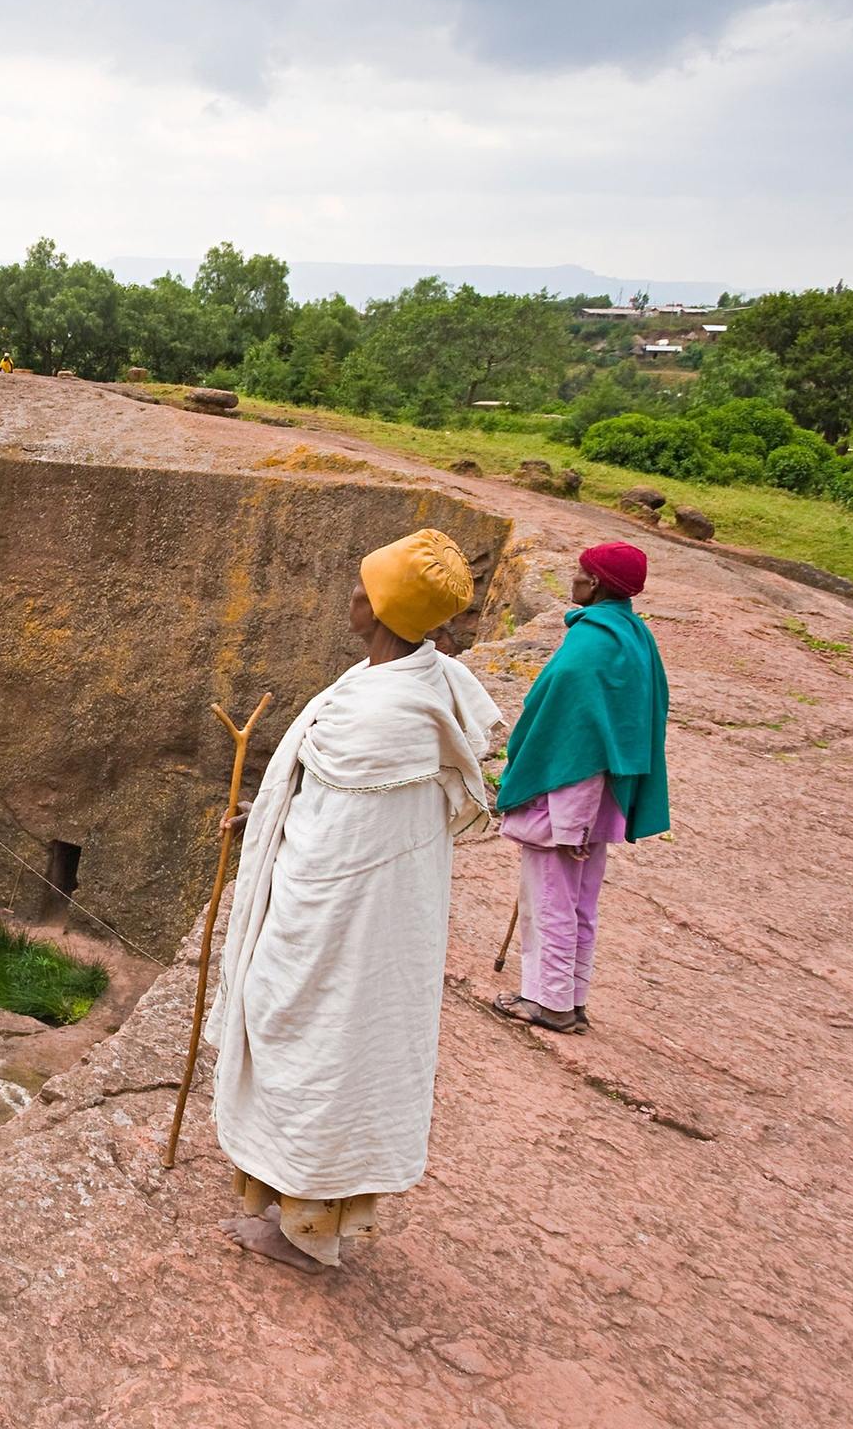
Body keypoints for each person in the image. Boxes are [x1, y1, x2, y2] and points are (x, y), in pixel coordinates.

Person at [210, 528, 502, 1272]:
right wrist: (266, 816)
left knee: (312, 1041)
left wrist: (278, 836)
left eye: (361, 588)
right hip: (372, 923)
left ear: (377, 610)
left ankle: (304, 1230)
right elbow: (335, 811)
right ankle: (292, 1207)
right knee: (321, 1047)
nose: (350, 594)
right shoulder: (415, 684)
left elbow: (338, 850)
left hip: (340, 929)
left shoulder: (380, 719)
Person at [491, 541, 671, 1035]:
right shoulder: (634, 637)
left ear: (593, 585)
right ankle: (571, 996)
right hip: (604, 798)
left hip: (569, 797)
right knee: (579, 901)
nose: (572, 581)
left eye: (578, 574)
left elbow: (565, 728)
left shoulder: (590, 645)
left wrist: (566, 816)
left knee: (549, 899)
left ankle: (548, 1004)